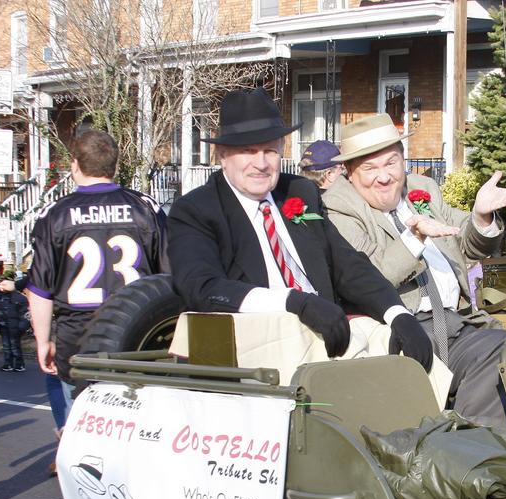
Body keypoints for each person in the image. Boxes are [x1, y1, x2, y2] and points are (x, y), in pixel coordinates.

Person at [167, 89, 432, 374]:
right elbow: (202, 287)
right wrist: (294, 302)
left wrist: (397, 313)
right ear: (222, 156)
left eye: (269, 150)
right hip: (258, 349)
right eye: (248, 151)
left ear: (282, 150)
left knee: (420, 368)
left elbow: (347, 265)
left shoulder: (298, 192)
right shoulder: (197, 210)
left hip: (329, 334)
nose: (261, 163)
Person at [323, 113, 506, 429]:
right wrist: (415, 237)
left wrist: (481, 217)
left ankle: (481, 446)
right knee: (497, 352)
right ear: (350, 173)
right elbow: (368, 277)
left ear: (403, 160)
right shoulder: (338, 207)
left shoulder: (423, 188)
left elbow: (467, 242)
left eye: (391, 163)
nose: (384, 177)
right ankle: (467, 451)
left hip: (457, 320)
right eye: (370, 168)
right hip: (401, 326)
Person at [26, 130, 169, 476]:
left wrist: (43, 339)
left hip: (80, 335)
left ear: (74, 165)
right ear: (115, 165)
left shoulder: (56, 215)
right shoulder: (145, 207)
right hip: (138, 332)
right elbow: (170, 275)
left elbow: (41, 289)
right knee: (136, 419)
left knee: (86, 419)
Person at [0, 269, 29, 371]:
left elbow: (25, 314)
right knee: (6, 346)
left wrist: (22, 326)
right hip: (3, 326)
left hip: (15, 327)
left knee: (15, 346)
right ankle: (8, 363)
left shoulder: (20, 298)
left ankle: (19, 364)